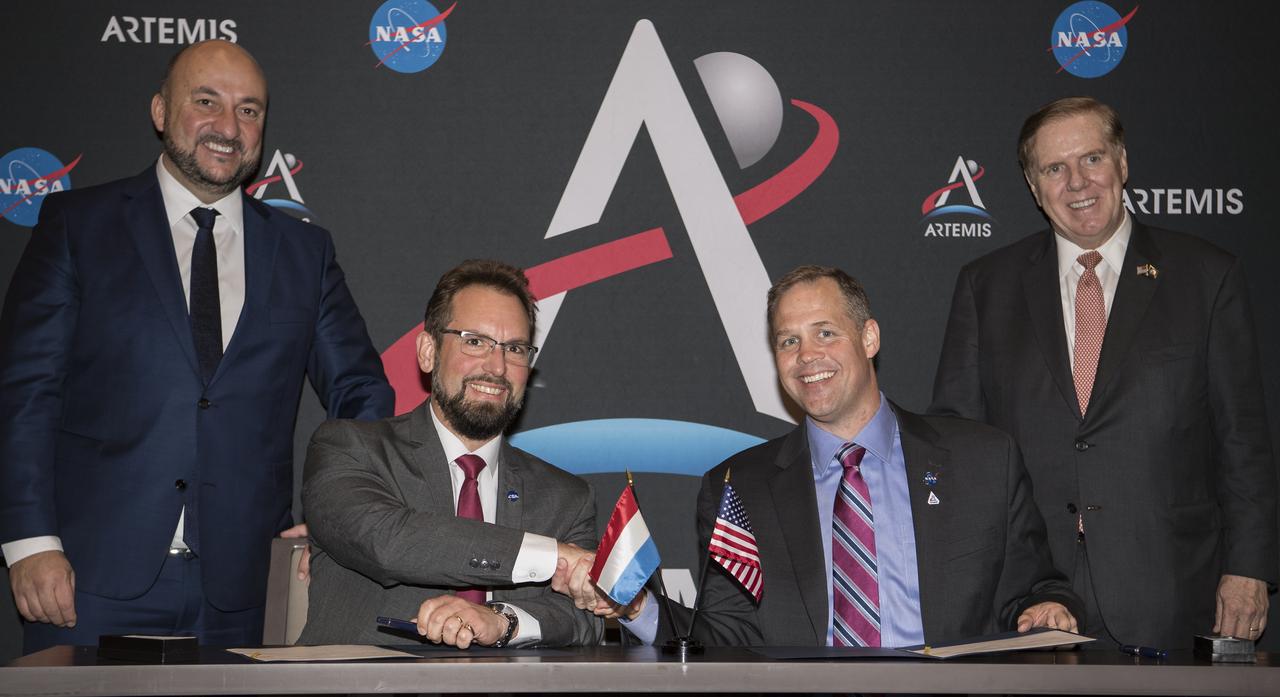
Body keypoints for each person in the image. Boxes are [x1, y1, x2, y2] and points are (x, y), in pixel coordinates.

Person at [0, 40, 394, 652]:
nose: (228, 128)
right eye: (206, 101)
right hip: (84, 580)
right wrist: (30, 543)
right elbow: (25, 393)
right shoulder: (78, 226)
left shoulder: (303, 253)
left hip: (244, 590)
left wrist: (339, 516)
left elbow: (362, 390)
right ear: (160, 110)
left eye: (249, 110)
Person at [558, 265, 1079, 647]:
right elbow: (727, 635)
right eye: (788, 341)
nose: (807, 357)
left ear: (868, 337)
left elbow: (1032, 589)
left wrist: (1046, 608)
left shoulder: (983, 461)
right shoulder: (737, 486)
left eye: (825, 333)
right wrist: (635, 606)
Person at [930, 96, 1277, 650]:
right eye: (1054, 168)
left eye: (1091, 159)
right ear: (1032, 183)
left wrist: (1250, 570)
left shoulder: (1206, 277)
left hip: (1175, 591)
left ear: (1122, 162)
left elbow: (1244, 443)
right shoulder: (985, 287)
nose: (1076, 182)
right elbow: (960, 452)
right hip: (1030, 600)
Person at [299, 259, 602, 648]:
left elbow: (585, 619)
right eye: (474, 341)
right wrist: (554, 557)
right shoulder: (348, 449)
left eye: (515, 348)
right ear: (428, 351)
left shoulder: (567, 498)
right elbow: (388, 542)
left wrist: (504, 621)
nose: (497, 366)